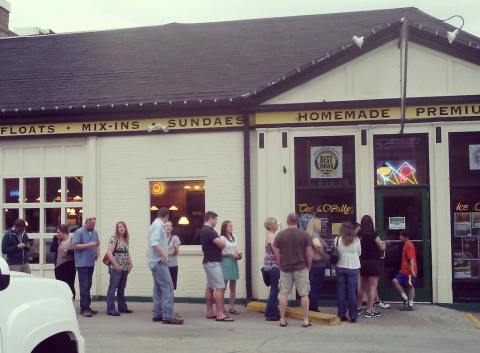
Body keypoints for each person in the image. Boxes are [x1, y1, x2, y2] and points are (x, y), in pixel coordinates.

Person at [273, 213, 313, 328]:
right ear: (298, 221)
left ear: (287, 221)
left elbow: (276, 253)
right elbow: (309, 253)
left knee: (283, 294)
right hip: (301, 268)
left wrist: (280, 265)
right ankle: (305, 320)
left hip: (285, 268)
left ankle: (282, 319)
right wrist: (308, 267)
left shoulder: (280, 235)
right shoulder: (304, 234)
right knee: (304, 294)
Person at [147, 207, 183, 324]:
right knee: (168, 287)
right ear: (167, 216)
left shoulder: (154, 225)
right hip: (158, 261)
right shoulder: (158, 226)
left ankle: (157, 314)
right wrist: (163, 256)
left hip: (154, 261)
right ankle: (168, 316)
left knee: (157, 289)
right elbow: (154, 243)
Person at [200, 211, 233, 322]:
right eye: (215, 219)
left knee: (210, 287)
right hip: (213, 263)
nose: (216, 221)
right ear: (210, 219)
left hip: (208, 262)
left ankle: (210, 312)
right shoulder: (209, 231)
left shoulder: (204, 230)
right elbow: (222, 244)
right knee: (220, 287)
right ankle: (220, 314)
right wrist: (222, 240)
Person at [356, 215, 386, 318]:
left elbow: (353, 235)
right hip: (373, 263)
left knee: (362, 287)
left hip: (363, 262)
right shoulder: (374, 234)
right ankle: (369, 310)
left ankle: (358, 308)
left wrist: (359, 228)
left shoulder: (360, 235)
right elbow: (381, 247)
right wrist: (384, 245)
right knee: (372, 287)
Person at [72, 216, 100, 317]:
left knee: (88, 285)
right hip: (82, 263)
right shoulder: (79, 232)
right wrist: (88, 245)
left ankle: (87, 305)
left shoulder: (95, 233)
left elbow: (97, 244)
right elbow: (74, 246)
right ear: (86, 223)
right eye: (91, 225)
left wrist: (97, 252)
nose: (93, 226)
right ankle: (84, 308)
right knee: (84, 286)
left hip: (91, 263)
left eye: (94, 225)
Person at [335, 221, 361, 323]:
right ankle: (353, 315)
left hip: (340, 266)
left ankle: (341, 314)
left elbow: (336, 250)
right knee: (352, 291)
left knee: (341, 291)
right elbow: (359, 253)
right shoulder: (357, 240)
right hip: (353, 267)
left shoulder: (337, 239)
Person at [106, 221, 133, 316]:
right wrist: (116, 265)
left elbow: (127, 252)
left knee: (121, 288)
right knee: (112, 288)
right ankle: (111, 309)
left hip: (124, 267)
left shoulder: (125, 239)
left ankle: (122, 307)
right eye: (119, 227)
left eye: (123, 227)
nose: (121, 228)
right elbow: (109, 252)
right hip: (115, 268)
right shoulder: (114, 239)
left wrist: (130, 263)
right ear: (117, 229)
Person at [305, 217, 328, 312]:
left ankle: (311, 306)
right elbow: (318, 246)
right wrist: (324, 255)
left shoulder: (307, 234)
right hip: (318, 264)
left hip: (311, 264)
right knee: (315, 286)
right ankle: (314, 307)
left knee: (312, 286)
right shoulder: (314, 235)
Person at [220, 220, 242, 315]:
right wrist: (230, 254)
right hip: (225, 262)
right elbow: (220, 253)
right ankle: (221, 307)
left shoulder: (234, 237)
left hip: (233, 262)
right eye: (229, 226)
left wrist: (238, 254)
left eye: (232, 226)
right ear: (225, 228)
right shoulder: (221, 238)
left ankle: (232, 307)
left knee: (233, 286)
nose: (231, 227)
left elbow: (235, 249)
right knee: (223, 286)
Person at [392, 230, 417, 311]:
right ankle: (405, 298)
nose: (399, 237)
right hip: (403, 270)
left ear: (406, 237)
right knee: (395, 281)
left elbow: (411, 258)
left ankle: (410, 305)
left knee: (410, 286)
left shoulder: (409, 245)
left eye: (401, 236)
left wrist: (412, 270)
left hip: (409, 271)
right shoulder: (405, 245)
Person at [50, 224, 76, 298]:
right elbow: (52, 249)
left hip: (69, 266)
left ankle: (71, 300)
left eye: (59, 232)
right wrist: (55, 240)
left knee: (69, 284)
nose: (57, 234)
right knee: (60, 285)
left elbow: (76, 253)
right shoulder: (58, 240)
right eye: (57, 232)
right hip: (58, 266)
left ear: (64, 232)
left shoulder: (71, 240)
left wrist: (68, 251)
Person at [263, 217, 280, 321]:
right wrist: (280, 264)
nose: (277, 224)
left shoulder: (270, 235)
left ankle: (273, 311)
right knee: (275, 290)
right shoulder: (271, 236)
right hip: (273, 266)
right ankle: (271, 313)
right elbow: (276, 251)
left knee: (274, 290)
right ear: (270, 226)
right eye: (275, 223)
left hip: (269, 266)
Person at [165, 221, 181, 290]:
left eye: (170, 226)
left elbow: (176, 252)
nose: (168, 227)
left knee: (172, 286)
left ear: (172, 228)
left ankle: (170, 300)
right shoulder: (161, 238)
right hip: (163, 265)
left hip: (173, 265)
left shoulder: (175, 238)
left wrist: (165, 254)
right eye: (167, 226)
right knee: (164, 286)